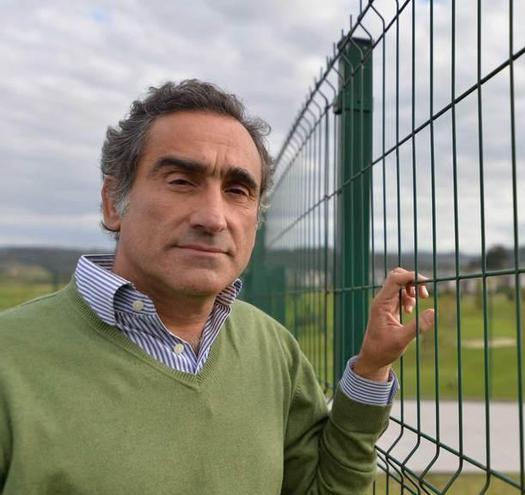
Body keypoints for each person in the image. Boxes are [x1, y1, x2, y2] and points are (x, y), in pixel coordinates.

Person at [0, 80, 435, 494]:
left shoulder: (272, 347)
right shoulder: (12, 360)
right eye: (181, 181)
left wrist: (372, 368)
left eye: (238, 190)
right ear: (114, 203)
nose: (213, 217)